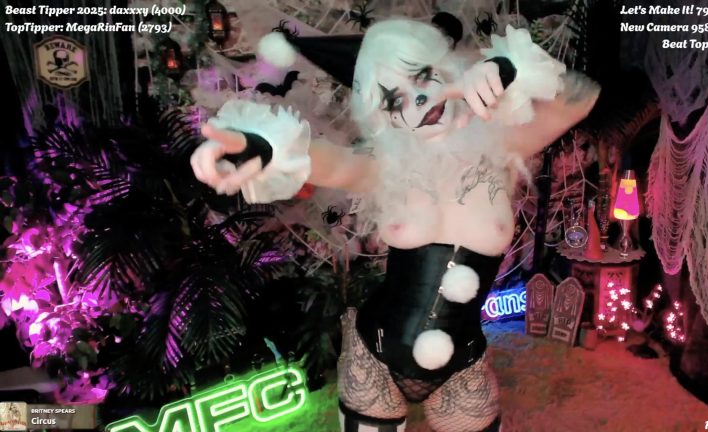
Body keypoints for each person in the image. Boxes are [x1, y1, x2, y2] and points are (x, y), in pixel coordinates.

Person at [190, 17, 599, 432]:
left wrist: (504, 70)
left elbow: (580, 96)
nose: (418, 99)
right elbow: (330, 162)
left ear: (450, 69)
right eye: (393, 100)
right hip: (376, 360)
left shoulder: (503, 144)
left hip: (463, 366)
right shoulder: (387, 166)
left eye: (423, 75)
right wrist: (262, 148)